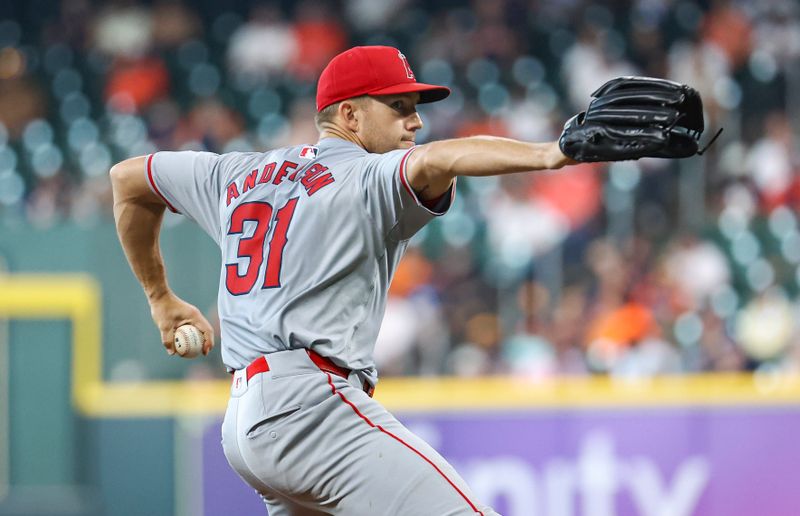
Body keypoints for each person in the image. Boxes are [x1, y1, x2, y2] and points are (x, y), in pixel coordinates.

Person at [110, 45, 572, 515]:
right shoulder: (366, 174)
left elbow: (127, 180)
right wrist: (552, 153)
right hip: (310, 407)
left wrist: (160, 297)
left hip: (246, 420)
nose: (414, 122)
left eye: (414, 110)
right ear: (350, 115)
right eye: (398, 108)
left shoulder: (235, 173)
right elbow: (439, 160)